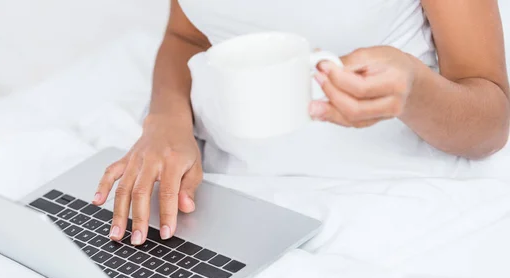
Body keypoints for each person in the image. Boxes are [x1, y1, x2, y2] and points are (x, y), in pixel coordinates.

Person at [93, 0, 510, 245]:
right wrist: (166, 120)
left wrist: (416, 93)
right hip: (225, 197)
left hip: (391, 200)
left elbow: (492, 120)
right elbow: (188, 37)